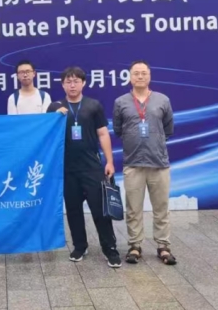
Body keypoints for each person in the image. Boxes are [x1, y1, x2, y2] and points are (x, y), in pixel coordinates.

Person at [47, 67, 121, 268]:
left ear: (83, 83)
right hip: (66, 168)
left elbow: (103, 134)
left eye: (76, 81)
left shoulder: (93, 105)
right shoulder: (54, 107)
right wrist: (54, 116)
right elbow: (47, 135)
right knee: (73, 210)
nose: (72, 85)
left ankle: (110, 248)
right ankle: (80, 246)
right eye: (68, 81)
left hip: (91, 167)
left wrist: (110, 161)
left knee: (100, 210)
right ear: (62, 84)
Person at [113, 60, 176, 265]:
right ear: (129, 77)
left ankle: (163, 246)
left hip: (159, 163)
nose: (140, 76)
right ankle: (134, 245)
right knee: (133, 208)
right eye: (136, 73)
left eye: (144, 73)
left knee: (161, 207)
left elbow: (168, 128)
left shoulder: (162, 99)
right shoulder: (121, 102)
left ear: (149, 76)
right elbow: (118, 129)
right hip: (133, 163)